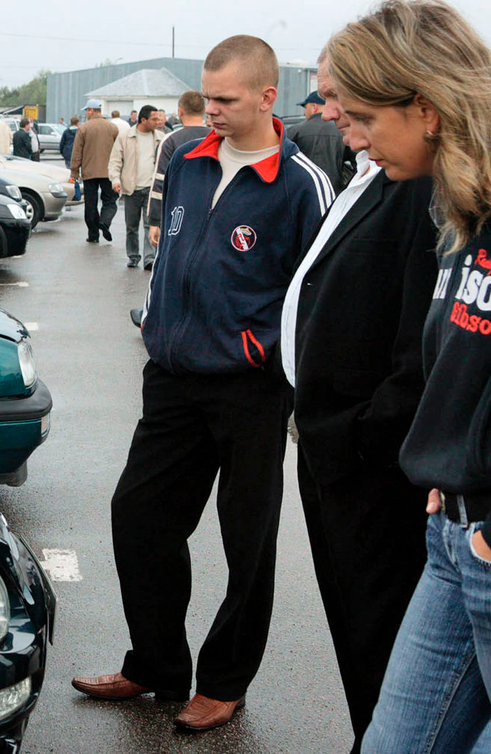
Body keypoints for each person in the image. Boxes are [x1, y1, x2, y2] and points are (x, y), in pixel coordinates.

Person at [72, 35, 331, 731]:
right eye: (206, 97)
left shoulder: (302, 183)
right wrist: (160, 325)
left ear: (266, 97)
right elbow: (171, 251)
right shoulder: (184, 158)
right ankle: (156, 665)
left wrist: (260, 348)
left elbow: (319, 295)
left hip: (250, 389)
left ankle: (223, 681)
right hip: (174, 378)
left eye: (225, 100)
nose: (209, 111)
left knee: (248, 542)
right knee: (140, 518)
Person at [324, 2, 491, 750]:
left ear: (423, 106)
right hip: (450, 533)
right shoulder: (461, 211)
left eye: (361, 115)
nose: (350, 136)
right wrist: (447, 457)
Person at [282, 49, 436, 752]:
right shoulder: (377, 174)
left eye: (346, 97)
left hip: (370, 463)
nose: (333, 111)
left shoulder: (417, 188)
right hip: (336, 447)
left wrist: (354, 437)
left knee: (385, 644)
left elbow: (421, 353)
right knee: (360, 636)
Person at [129, 90, 212, 326]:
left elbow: (159, 184)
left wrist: (154, 221)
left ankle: (150, 315)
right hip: (210, 211)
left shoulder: (171, 140)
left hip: (178, 214)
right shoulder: (218, 136)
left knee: (164, 266)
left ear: (181, 111)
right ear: (204, 110)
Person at [108, 104, 167, 268]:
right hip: (131, 188)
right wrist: (115, 180)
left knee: (151, 224)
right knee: (131, 226)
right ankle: (133, 256)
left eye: (159, 118)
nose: (158, 122)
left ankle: (150, 258)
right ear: (143, 120)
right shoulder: (126, 136)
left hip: (152, 189)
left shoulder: (161, 138)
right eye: (154, 119)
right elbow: (115, 161)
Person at [69, 98, 120, 244]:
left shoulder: (84, 128)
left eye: (87, 110)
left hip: (89, 172)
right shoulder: (112, 128)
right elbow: (119, 151)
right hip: (109, 172)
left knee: (90, 203)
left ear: (91, 110)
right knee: (110, 200)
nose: (86, 113)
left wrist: (74, 171)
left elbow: (77, 151)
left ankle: (93, 234)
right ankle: (104, 221)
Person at [286, 90, 356, 194]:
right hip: (335, 191)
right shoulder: (342, 132)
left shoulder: (294, 131)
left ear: (314, 107)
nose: (304, 112)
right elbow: (358, 161)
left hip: (301, 191)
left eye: (306, 108)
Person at [59, 116, 82, 201]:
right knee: (80, 172)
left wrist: (62, 151)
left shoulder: (66, 132)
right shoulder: (80, 131)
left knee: (70, 171)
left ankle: (73, 188)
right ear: (77, 123)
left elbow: (62, 143)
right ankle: (80, 188)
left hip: (68, 153)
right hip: (79, 154)